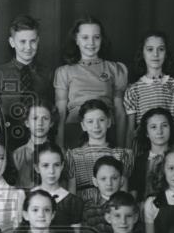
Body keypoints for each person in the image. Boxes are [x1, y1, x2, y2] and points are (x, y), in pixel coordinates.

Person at [54, 16, 129, 148]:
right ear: (76, 40)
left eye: (96, 37)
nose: (91, 42)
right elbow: (60, 112)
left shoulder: (115, 69)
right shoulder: (64, 72)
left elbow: (119, 112)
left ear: (102, 39)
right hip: (75, 131)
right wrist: (60, 146)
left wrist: (121, 147)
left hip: (106, 131)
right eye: (85, 37)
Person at [0, 14, 55, 150]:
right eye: (22, 42)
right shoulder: (1, 72)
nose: (28, 47)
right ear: (12, 42)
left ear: (38, 41)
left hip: (39, 137)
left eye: (33, 41)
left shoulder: (47, 73)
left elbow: (52, 108)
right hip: (8, 137)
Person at [123, 31, 174, 150]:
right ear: (142, 53)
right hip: (143, 151)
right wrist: (129, 160)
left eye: (161, 49)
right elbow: (130, 132)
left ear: (166, 53)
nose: (155, 54)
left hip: (170, 150)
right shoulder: (133, 90)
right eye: (150, 49)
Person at [65, 99, 132, 204]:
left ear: (109, 122)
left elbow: (123, 195)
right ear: (83, 126)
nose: (96, 126)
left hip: (112, 208)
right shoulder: (73, 155)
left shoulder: (121, 154)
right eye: (90, 121)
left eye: (101, 120)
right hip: (83, 209)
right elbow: (72, 194)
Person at [128, 108, 174, 200]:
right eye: (153, 127)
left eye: (164, 126)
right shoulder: (140, 160)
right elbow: (134, 191)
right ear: (147, 133)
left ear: (171, 128)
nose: (159, 131)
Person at [33, 142, 84, 233]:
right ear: (37, 168)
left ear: (62, 166)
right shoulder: (27, 196)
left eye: (56, 165)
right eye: (45, 165)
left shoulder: (73, 202)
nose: (51, 171)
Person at [11, 102, 55, 189]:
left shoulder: (60, 152)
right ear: (27, 123)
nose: (40, 123)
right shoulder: (17, 155)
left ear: (51, 123)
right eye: (35, 118)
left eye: (45, 118)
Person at [82, 156, 126, 233]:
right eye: (103, 179)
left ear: (122, 180)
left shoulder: (129, 205)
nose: (109, 183)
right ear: (95, 181)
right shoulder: (89, 210)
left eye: (114, 178)